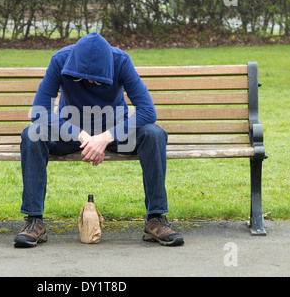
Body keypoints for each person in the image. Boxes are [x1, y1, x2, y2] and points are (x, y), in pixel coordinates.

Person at [14, 32, 184, 248]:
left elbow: (147, 111)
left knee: (154, 133)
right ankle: (33, 220)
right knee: (32, 134)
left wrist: (105, 138)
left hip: (115, 134)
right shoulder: (60, 60)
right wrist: (82, 135)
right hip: (71, 133)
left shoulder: (120, 61)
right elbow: (39, 111)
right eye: (85, 78)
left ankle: (156, 218)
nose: (91, 82)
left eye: (98, 79)